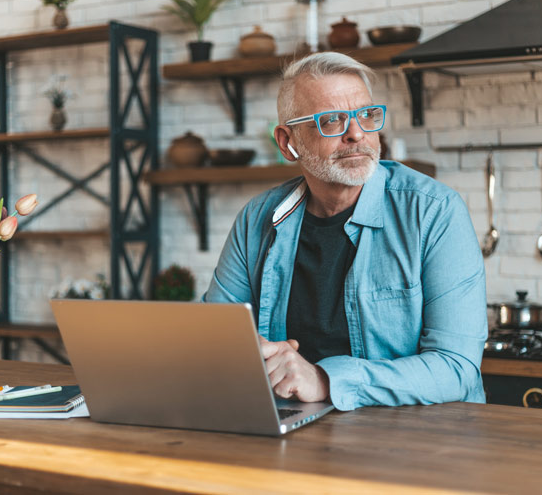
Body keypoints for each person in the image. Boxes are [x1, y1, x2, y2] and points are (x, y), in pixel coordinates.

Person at [203, 52, 487, 411]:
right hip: (295, 429)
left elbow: (456, 368)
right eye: (332, 120)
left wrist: (324, 380)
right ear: (288, 141)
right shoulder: (256, 220)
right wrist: (240, 354)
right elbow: (215, 342)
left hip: (419, 443)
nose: (356, 134)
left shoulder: (433, 211)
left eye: (367, 115)